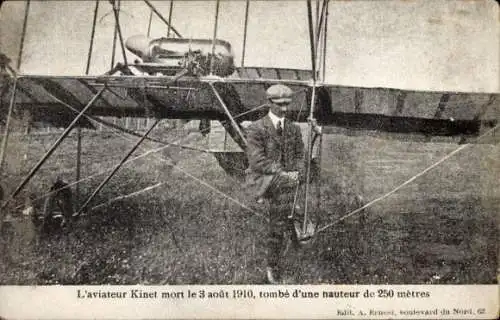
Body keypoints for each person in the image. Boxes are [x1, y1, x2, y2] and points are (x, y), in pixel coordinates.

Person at [245, 84, 306, 284]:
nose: (285, 108)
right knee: (284, 210)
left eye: (287, 104)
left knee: (281, 208)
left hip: (285, 182)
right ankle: (274, 263)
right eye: (280, 104)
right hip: (263, 179)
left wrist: (297, 171)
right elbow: (257, 161)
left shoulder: (294, 129)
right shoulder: (256, 128)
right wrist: (286, 174)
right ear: (269, 103)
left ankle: (290, 222)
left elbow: (300, 155)